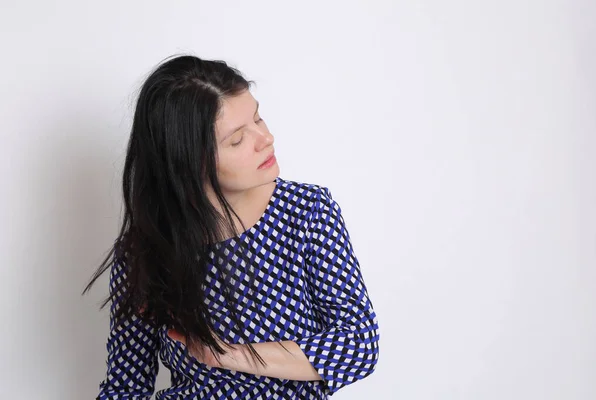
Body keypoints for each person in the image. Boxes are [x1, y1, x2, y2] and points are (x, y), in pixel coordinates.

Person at [82, 54, 380, 399]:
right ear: (188, 164)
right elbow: (125, 386)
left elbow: (359, 344)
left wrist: (227, 355)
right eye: (237, 140)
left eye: (258, 118)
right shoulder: (147, 248)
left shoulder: (307, 212)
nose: (265, 138)